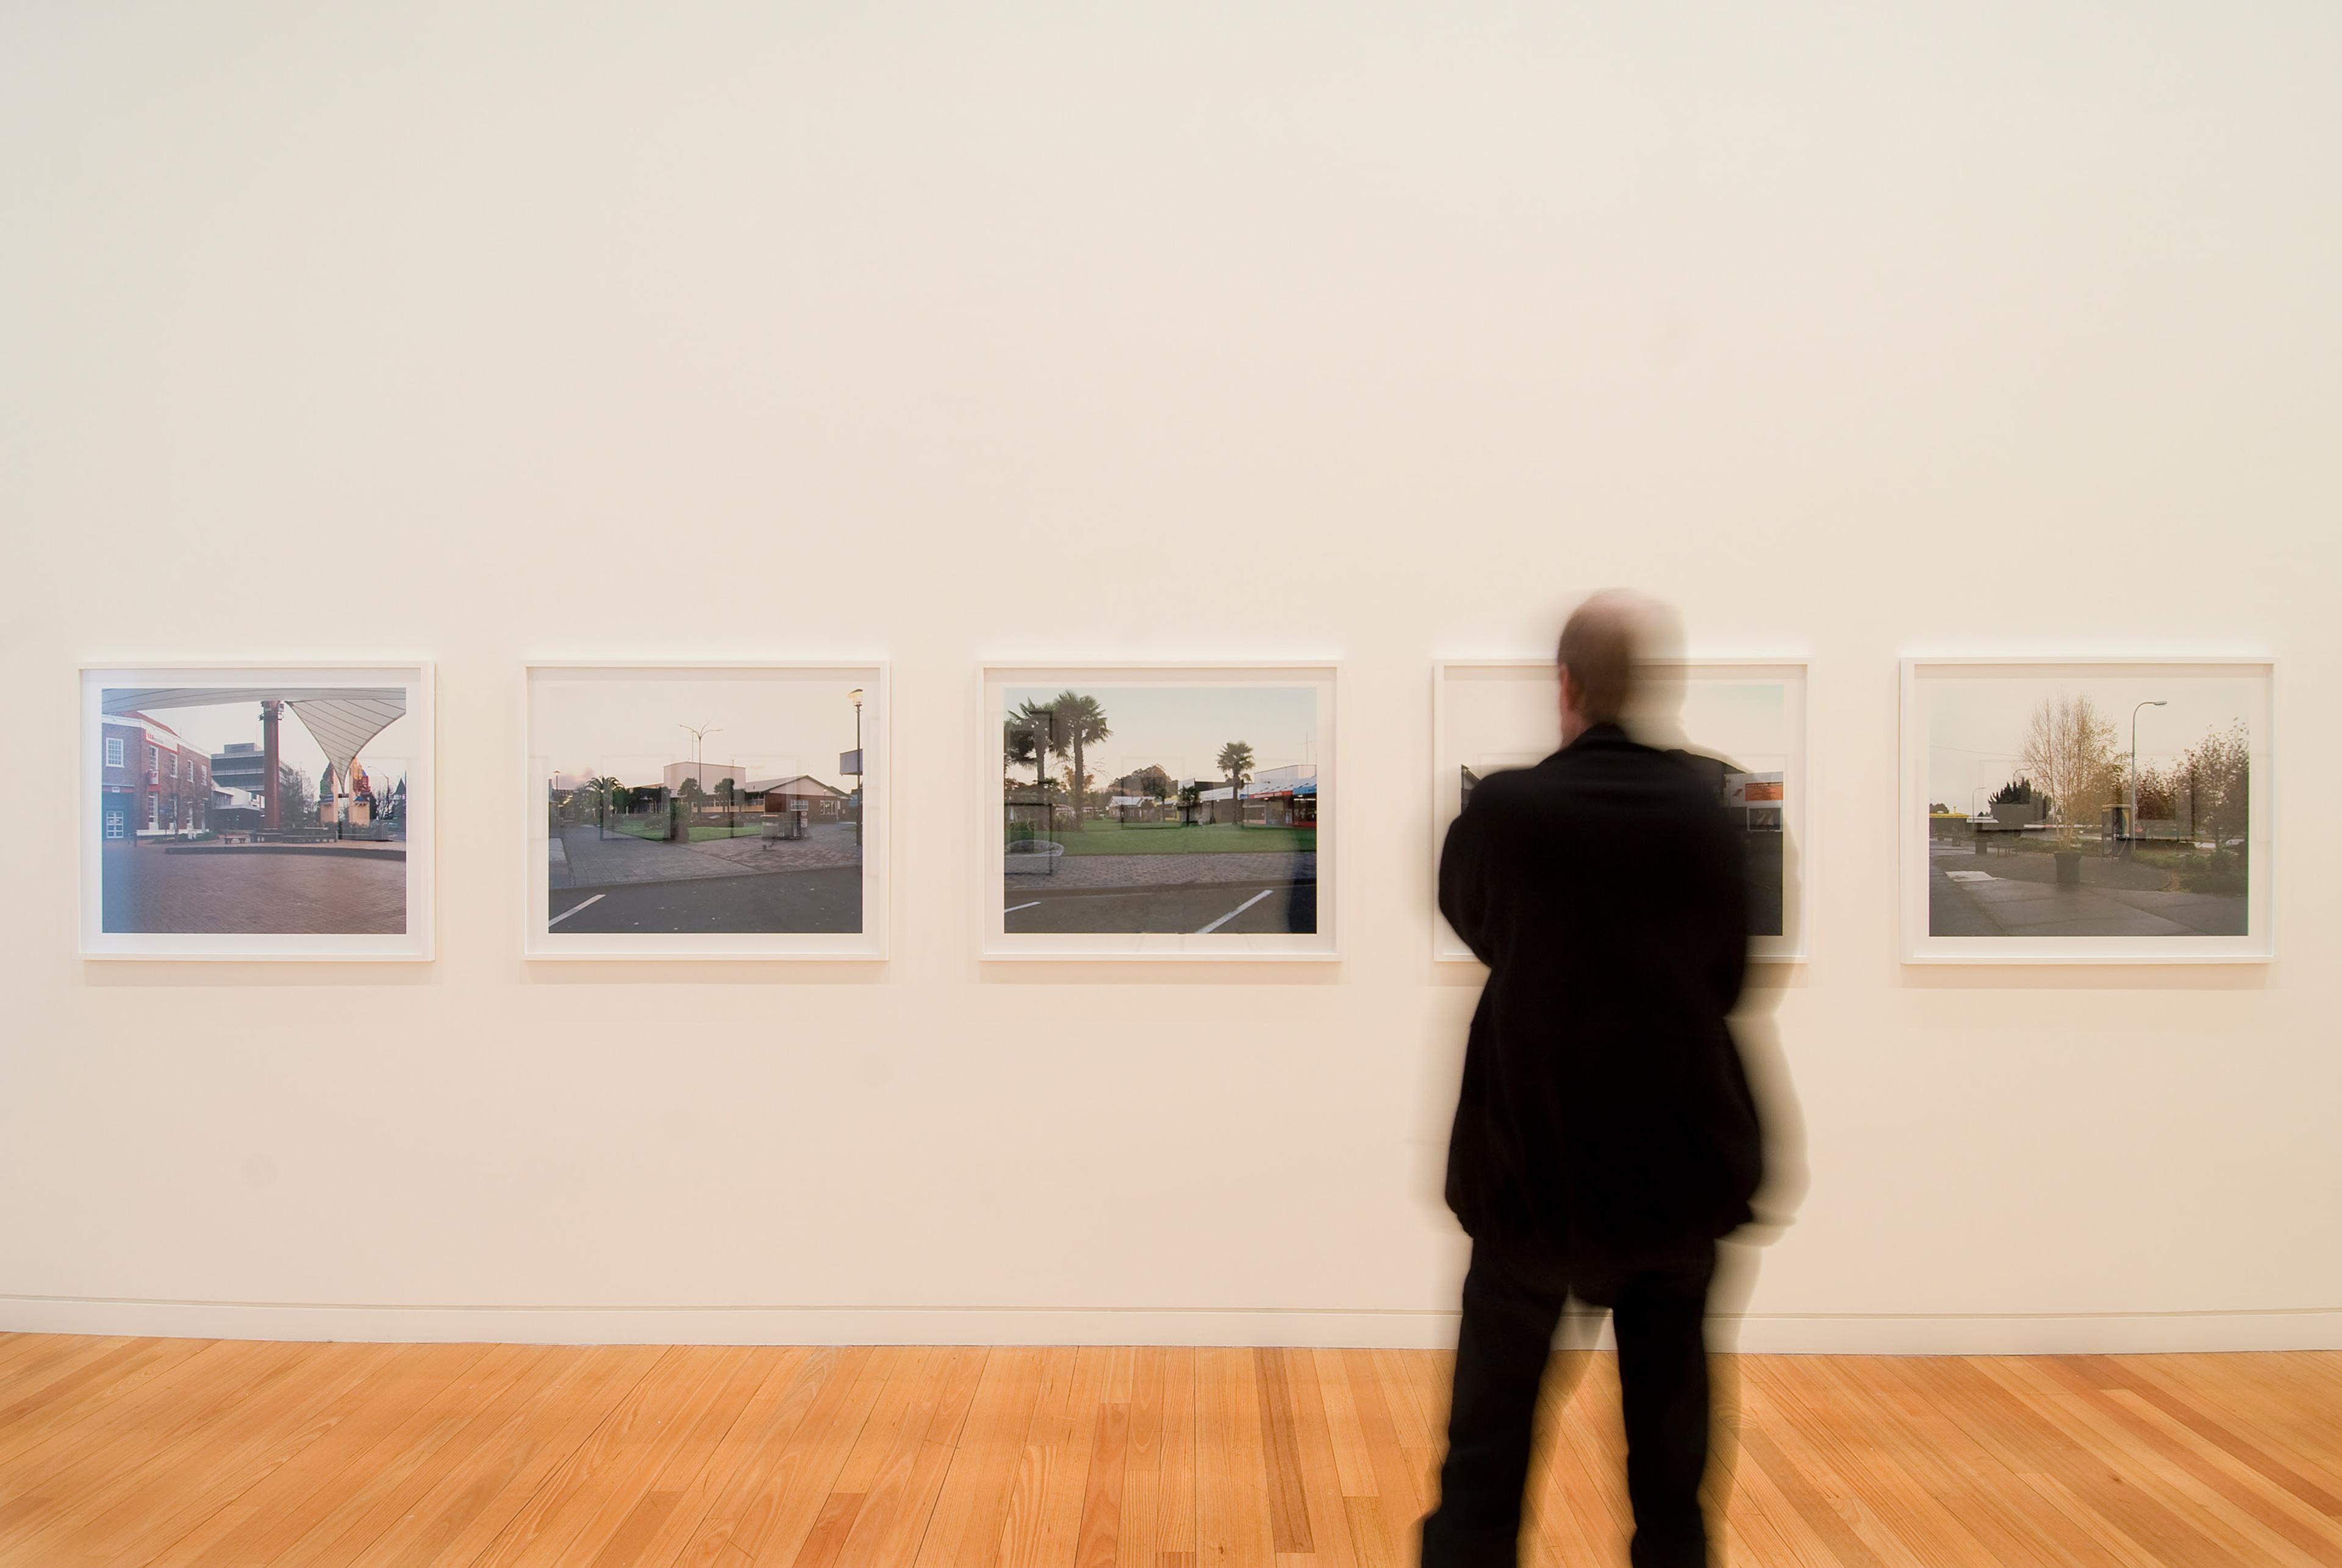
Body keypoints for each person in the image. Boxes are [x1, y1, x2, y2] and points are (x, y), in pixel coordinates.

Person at [1422, 592, 1763, 1568]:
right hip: (1677, 1172)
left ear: (1564, 684)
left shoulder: (1504, 812)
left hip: (1533, 1165)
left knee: (1485, 1456)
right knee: (1672, 1466)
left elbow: (1477, 925)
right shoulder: (1708, 814)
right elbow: (1732, 974)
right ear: (1645, 685)